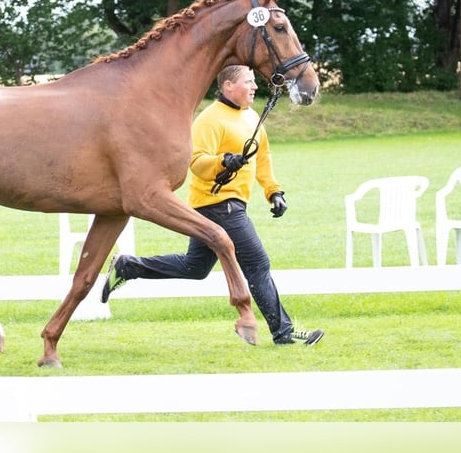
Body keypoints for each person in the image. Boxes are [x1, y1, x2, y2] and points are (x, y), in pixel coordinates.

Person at [101, 64, 323, 346]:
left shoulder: (251, 116)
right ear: (227, 86)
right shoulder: (210, 120)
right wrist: (223, 161)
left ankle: (129, 267)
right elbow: (195, 163)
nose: (254, 86)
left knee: (195, 267)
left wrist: (273, 191)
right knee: (257, 264)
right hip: (218, 204)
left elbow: (262, 159)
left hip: (227, 204)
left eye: (254, 81)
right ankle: (284, 333)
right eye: (248, 81)